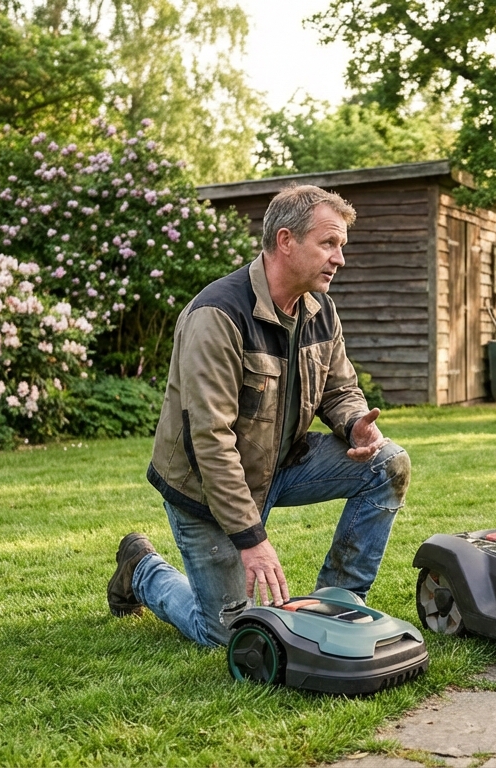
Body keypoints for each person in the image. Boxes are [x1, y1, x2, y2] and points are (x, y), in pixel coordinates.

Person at [105, 184, 411, 647]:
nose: (339, 259)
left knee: (387, 463)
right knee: (229, 633)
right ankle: (142, 568)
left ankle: (337, 601)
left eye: (341, 246)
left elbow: (340, 388)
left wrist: (353, 423)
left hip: (278, 467)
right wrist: (251, 539)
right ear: (286, 240)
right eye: (328, 244)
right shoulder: (217, 315)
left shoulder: (320, 309)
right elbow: (209, 440)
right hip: (206, 488)